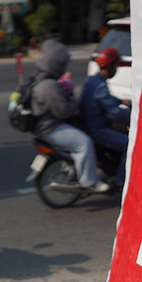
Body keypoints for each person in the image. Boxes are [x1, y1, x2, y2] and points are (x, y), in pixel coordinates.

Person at [31, 39, 110, 194]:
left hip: (46, 125)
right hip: (50, 128)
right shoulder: (49, 85)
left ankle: (86, 168)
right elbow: (64, 111)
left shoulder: (42, 79)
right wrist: (74, 100)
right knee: (84, 143)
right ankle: (89, 182)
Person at [81, 47, 131, 183]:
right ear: (110, 66)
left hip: (90, 125)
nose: (117, 69)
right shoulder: (101, 86)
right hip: (99, 130)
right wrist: (133, 115)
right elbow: (114, 112)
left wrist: (122, 101)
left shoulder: (92, 80)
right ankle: (120, 180)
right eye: (116, 65)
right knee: (129, 144)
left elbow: (105, 99)